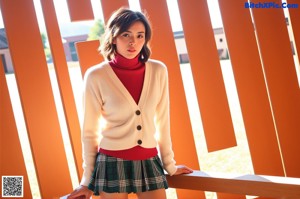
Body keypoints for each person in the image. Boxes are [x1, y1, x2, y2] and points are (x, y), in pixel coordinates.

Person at [67, 7, 193, 199]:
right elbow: (89, 133)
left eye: (140, 35)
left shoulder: (159, 71)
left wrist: (170, 165)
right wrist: (86, 181)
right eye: (126, 34)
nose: (133, 42)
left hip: (149, 161)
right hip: (111, 163)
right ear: (114, 37)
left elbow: (163, 121)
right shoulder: (96, 76)